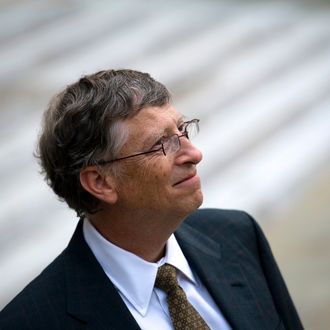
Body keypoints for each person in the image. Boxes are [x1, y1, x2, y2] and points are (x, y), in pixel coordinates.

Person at [0, 69, 303, 330]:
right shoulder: (30, 321)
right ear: (100, 182)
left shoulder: (238, 235)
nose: (194, 154)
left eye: (183, 130)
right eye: (161, 144)